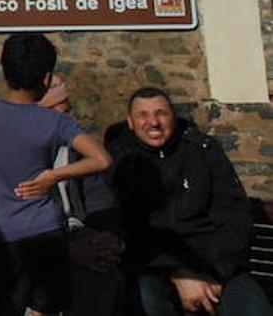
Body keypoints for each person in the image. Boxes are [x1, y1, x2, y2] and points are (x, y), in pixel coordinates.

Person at [0, 33, 111, 316]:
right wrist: (53, 175)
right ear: (47, 77)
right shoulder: (56, 120)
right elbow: (101, 159)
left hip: (1, 238)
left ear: (4, 71)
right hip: (47, 234)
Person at [109, 87, 273, 316]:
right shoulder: (121, 160)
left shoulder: (204, 151)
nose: (153, 122)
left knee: (254, 310)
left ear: (173, 117)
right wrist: (179, 272)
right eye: (143, 115)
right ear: (130, 122)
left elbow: (234, 216)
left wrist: (212, 272)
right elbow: (129, 229)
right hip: (154, 266)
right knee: (146, 301)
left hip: (214, 261)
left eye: (161, 113)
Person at [40, 77, 125, 316]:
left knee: (106, 274)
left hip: (80, 233)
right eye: (59, 111)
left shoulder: (76, 151)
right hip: (41, 242)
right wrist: (68, 249)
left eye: (68, 110)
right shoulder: (17, 152)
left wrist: (107, 238)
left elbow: (100, 201)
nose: (69, 118)